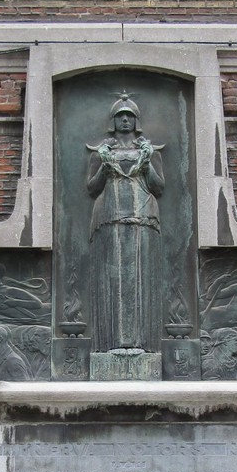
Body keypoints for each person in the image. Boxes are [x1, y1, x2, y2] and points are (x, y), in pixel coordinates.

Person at [86, 92, 165, 353]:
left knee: (140, 276)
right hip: (109, 216)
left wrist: (146, 164)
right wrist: (103, 169)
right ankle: (111, 343)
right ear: (113, 121)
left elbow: (158, 187)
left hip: (143, 216)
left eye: (129, 116)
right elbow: (92, 188)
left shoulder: (150, 151)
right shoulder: (101, 152)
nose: (125, 121)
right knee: (113, 277)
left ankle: (141, 343)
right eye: (120, 116)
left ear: (136, 121)